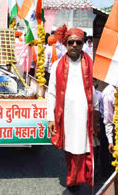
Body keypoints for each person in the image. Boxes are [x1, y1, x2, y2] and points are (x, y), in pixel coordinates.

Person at [46, 24, 98, 193]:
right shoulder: (56, 66)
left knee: (85, 148)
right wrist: (50, 118)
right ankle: (74, 178)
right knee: (70, 148)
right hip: (66, 115)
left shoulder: (91, 64)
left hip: (86, 115)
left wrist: (96, 113)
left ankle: (83, 179)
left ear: (83, 44)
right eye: (71, 42)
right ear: (65, 44)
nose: (75, 45)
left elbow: (94, 91)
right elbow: (52, 93)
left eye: (78, 42)